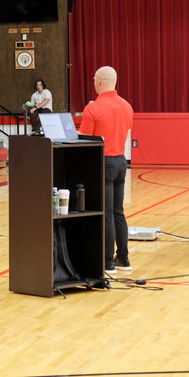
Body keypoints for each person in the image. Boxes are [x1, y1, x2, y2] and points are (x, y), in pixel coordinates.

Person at [78, 66, 135, 275]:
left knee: (107, 214)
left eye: (94, 79)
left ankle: (108, 262)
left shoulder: (92, 108)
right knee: (119, 211)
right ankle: (124, 258)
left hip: (102, 164)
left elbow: (83, 139)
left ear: (100, 81)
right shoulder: (127, 107)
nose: (93, 82)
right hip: (121, 162)